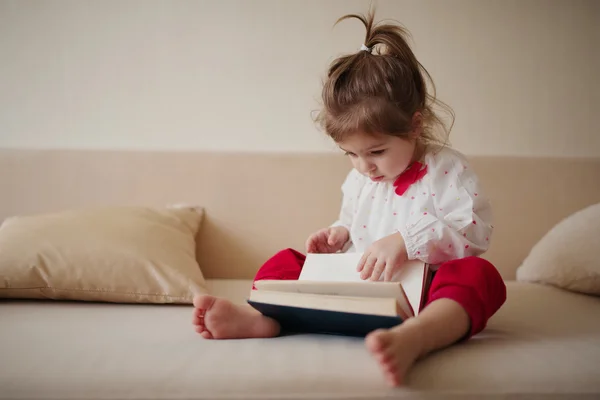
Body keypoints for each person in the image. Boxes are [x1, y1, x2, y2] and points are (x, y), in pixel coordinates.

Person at [192, 9, 506, 387]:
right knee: (286, 261)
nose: (364, 167)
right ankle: (263, 318)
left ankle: (417, 337)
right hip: (360, 292)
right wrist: (339, 234)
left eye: (376, 152)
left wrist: (407, 241)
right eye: (351, 154)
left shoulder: (447, 169)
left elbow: (475, 233)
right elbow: (354, 221)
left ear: (415, 126)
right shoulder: (359, 179)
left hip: (422, 295)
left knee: (481, 276)